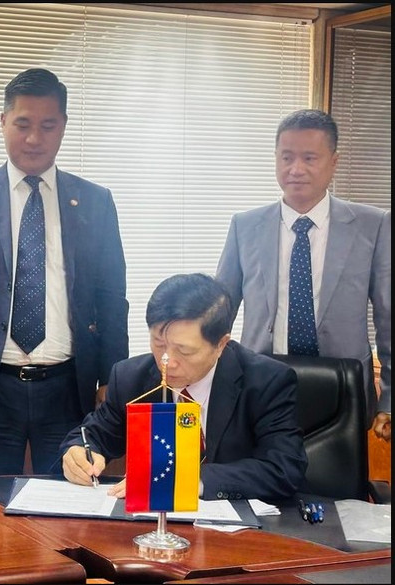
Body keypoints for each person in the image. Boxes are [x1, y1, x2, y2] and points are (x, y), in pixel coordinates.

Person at [0, 68, 129, 476]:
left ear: (63, 128)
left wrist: (112, 379)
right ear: (3, 123)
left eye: (47, 126)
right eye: (22, 124)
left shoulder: (94, 201)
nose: (34, 138)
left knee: (67, 508)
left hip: (68, 387)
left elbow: (111, 296)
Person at [216, 109, 391, 441]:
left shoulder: (373, 225)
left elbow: (388, 318)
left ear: (334, 161)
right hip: (261, 382)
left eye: (309, 158)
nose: (295, 169)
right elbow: (219, 312)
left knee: (337, 488)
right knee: (258, 483)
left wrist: (390, 399)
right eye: (286, 157)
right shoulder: (245, 226)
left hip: (344, 388)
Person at [61, 273, 307, 501]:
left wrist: (189, 480)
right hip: (151, 527)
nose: (167, 360)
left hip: (236, 533)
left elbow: (283, 468)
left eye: (184, 350)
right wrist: (80, 453)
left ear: (221, 344)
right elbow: (92, 435)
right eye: (158, 343)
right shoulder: (130, 378)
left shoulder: (266, 381)